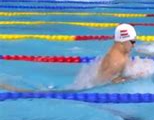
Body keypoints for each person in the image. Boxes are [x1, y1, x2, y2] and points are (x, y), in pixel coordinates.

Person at [0, 23, 138, 92]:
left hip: (83, 85)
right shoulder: (116, 61)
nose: (134, 45)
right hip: (82, 90)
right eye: (133, 41)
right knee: (33, 93)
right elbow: (101, 84)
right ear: (123, 40)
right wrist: (127, 78)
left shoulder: (120, 53)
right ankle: (7, 86)